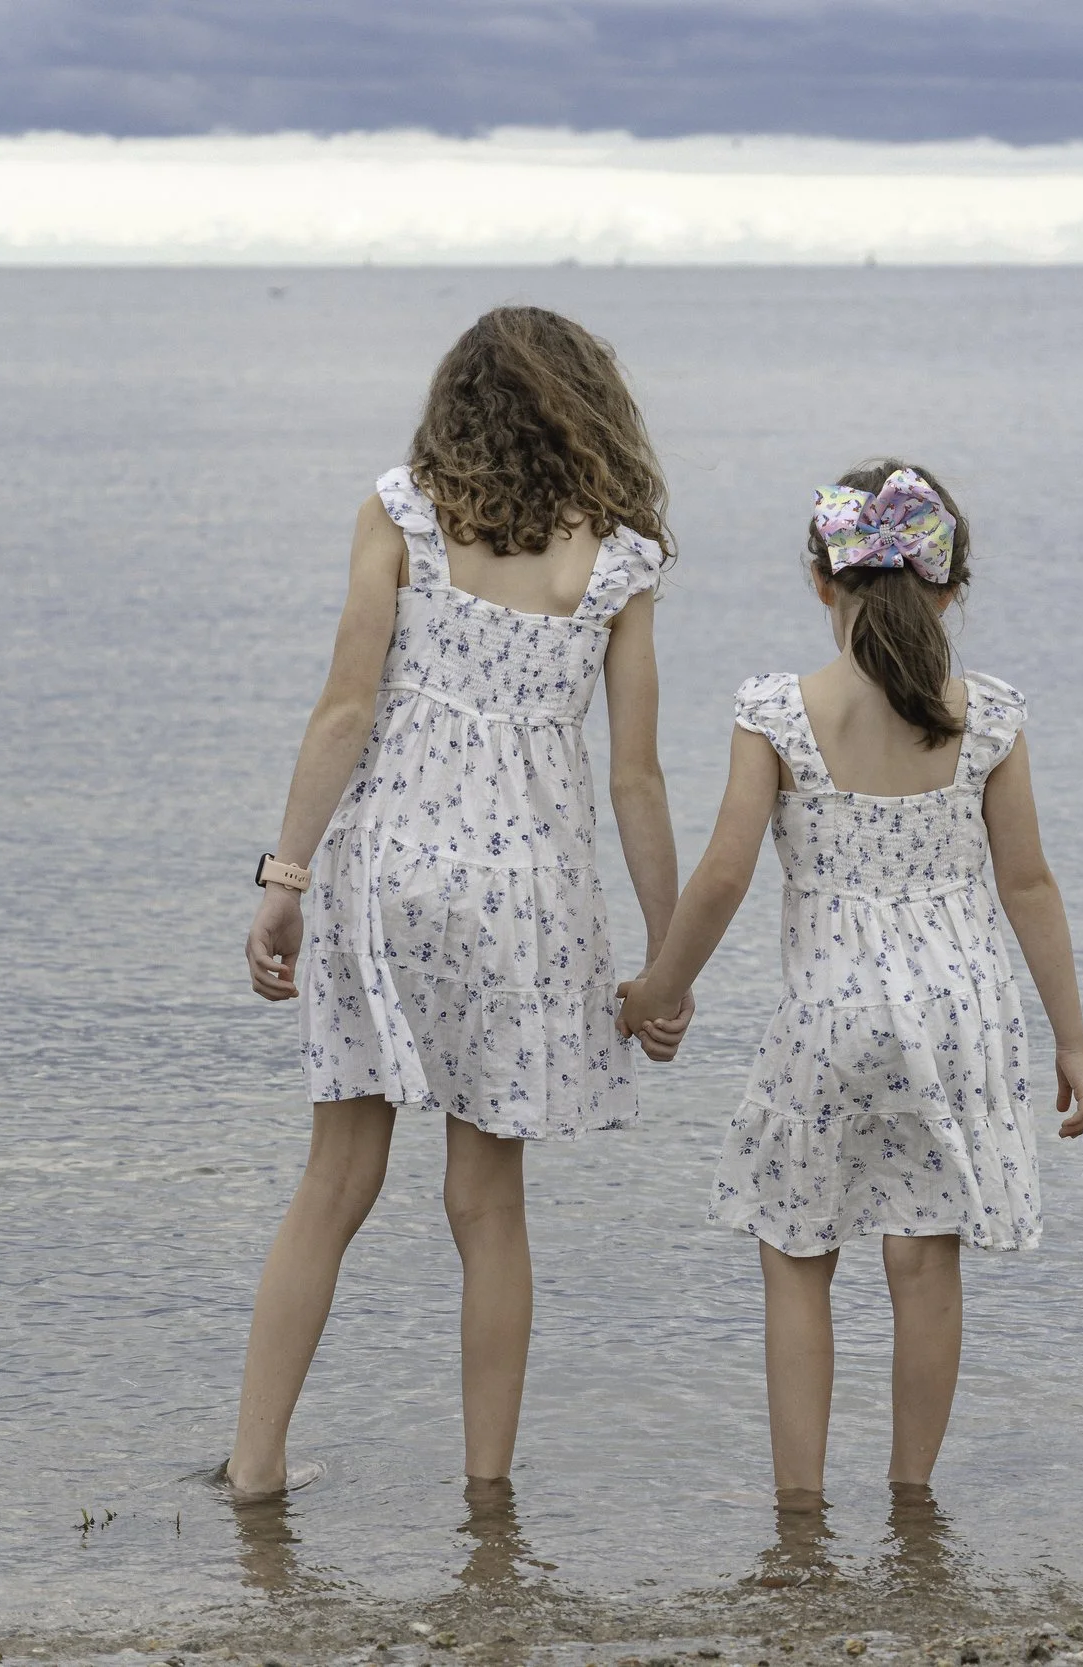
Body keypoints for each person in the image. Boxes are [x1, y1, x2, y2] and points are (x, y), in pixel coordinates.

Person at [229, 307, 691, 1500]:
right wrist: (668, 955)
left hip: (386, 873)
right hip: (524, 895)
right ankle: (487, 1491)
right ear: (592, 410)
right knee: (486, 1205)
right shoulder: (621, 561)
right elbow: (632, 774)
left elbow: (343, 710)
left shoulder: (400, 514)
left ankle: (256, 1464)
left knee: (333, 1183)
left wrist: (284, 876)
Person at [615, 459, 1083, 1505]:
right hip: (958, 1016)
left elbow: (726, 872)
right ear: (950, 588)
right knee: (921, 1261)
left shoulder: (780, 711)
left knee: (798, 1253)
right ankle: (912, 1500)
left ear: (820, 581)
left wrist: (659, 987)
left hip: (828, 1015)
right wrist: (1071, 1036)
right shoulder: (989, 716)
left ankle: (799, 1509)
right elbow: (1028, 880)